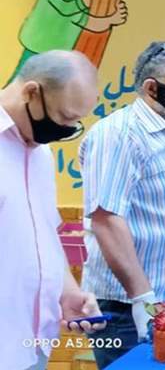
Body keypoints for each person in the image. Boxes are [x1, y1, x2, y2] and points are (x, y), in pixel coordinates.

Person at [80, 41, 165, 368]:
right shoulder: (120, 134)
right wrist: (142, 298)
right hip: (130, 310)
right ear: (152, 88)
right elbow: (106, 218)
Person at [1, 51, 107, 370]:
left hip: (33, 343)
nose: (66, 129)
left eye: (75, 122)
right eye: (63, 118)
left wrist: (68, 292)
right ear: (31, 92)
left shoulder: (40, 154)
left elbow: (43, 237)